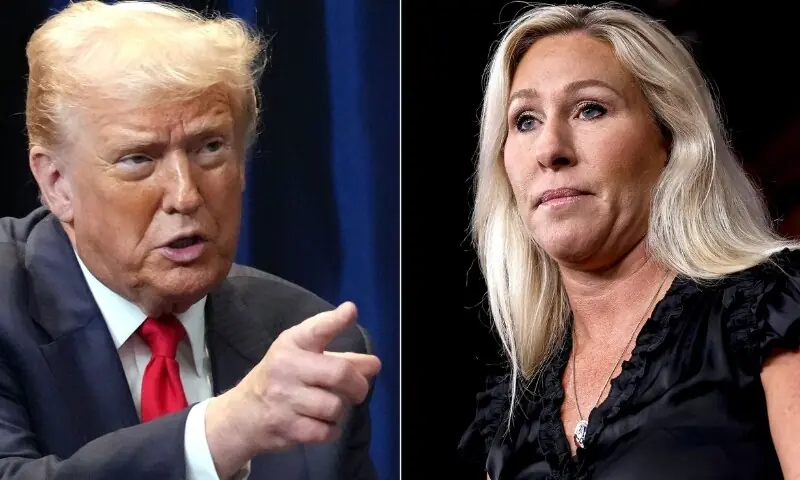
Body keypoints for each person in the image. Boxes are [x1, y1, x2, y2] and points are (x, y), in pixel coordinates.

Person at [0, 1, 381, 479]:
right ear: (57, 183)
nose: (185, 195)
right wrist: (220, 434)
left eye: (210, 147)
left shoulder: (314, 349)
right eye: (139, 159)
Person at [457, 4, 800, 479]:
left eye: (590, 109)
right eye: (526, 120)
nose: (549, 149)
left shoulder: (774, 311)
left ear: (670, 139)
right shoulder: (509, 415)